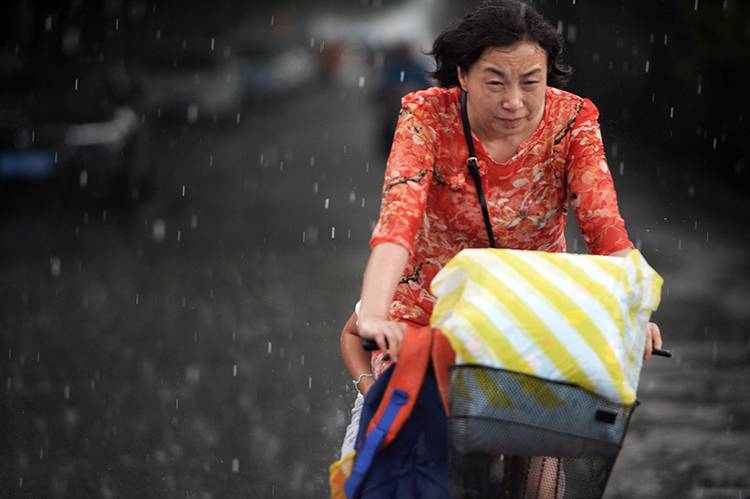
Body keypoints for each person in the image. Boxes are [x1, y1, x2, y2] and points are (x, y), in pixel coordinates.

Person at [338, 0, 663, 495]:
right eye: (495, 81)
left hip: (528, 323)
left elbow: (605, 228)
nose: (515, 100)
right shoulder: (425, 116)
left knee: (539, 470)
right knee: (395, 460)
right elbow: (397, 224)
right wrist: (377, 315)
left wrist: (634, 313)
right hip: (429, 321)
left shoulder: (573, 121)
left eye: (531, 81)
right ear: (463, 75)